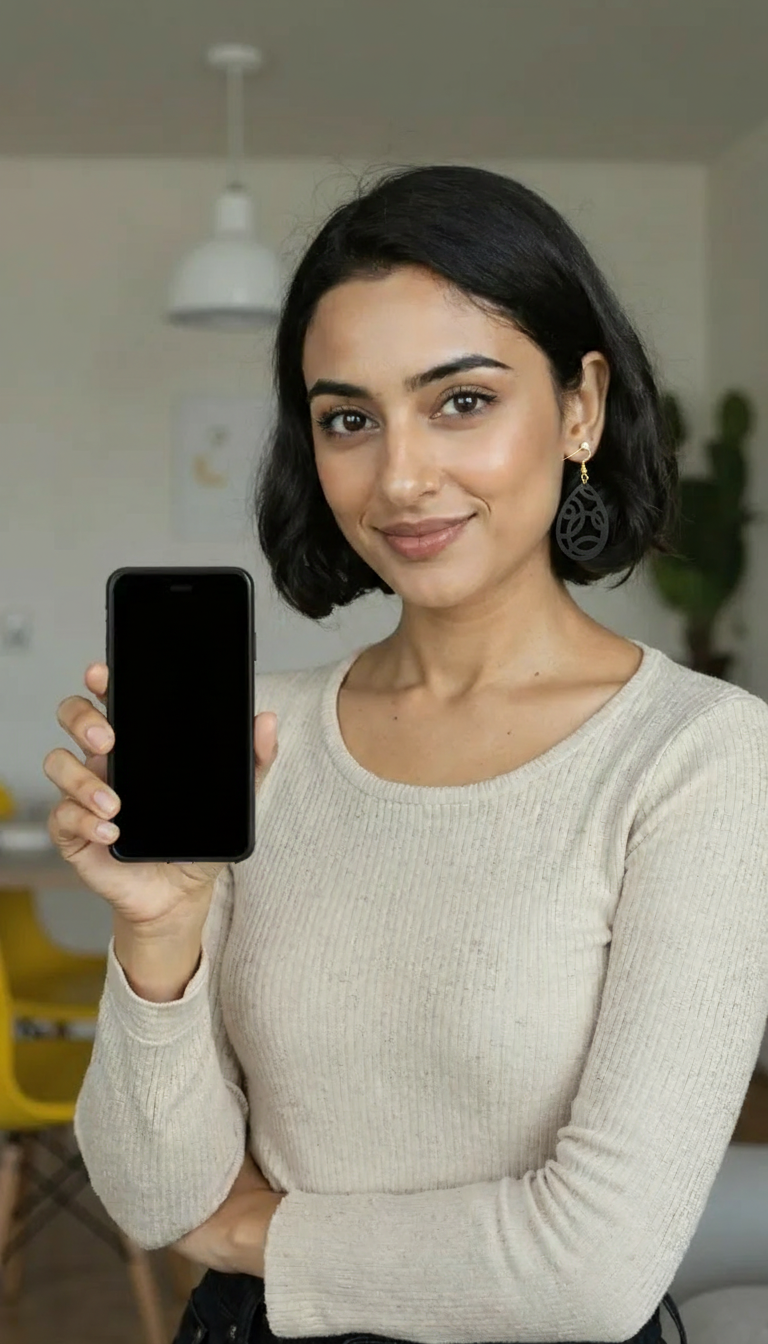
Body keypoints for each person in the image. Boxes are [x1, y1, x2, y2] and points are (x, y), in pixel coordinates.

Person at [41, 164, 768, 1344]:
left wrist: (253, 1237)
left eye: (463, 401)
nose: (401, 476)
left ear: (581, 406)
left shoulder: (698, 759)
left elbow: (593, 1268)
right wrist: (159, 936)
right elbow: (153, 1195)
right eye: (349, 419)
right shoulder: (258, 739)